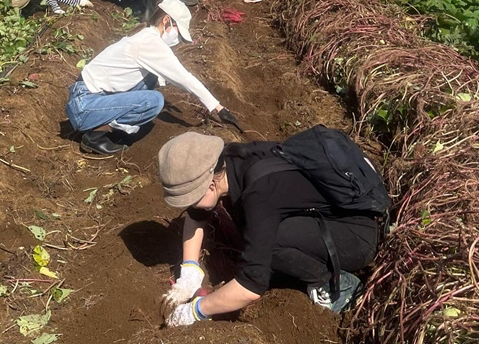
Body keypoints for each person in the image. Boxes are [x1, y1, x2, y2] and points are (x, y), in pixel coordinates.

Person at [157, 132, 380, 327]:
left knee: (270, 242)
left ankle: (335, 286)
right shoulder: (231, 161)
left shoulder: (259, 194)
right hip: (322, 219)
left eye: (191, 198)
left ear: (211, 184)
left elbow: (250, 286)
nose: (190, 205)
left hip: (357, 236)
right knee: (263, 235)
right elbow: (196, 217)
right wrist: (189, 270)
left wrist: (196, 310)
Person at [65, 0, 239, 155]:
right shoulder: (150, 43)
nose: (177, 38)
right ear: (166, 20)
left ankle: (104, 125)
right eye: (177, 31)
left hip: (86, 96)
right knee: (153, 101)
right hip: (84, 106)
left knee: (151, 78)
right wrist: (217, 107)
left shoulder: (144, 33)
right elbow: (184, 78)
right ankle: (94, 135)